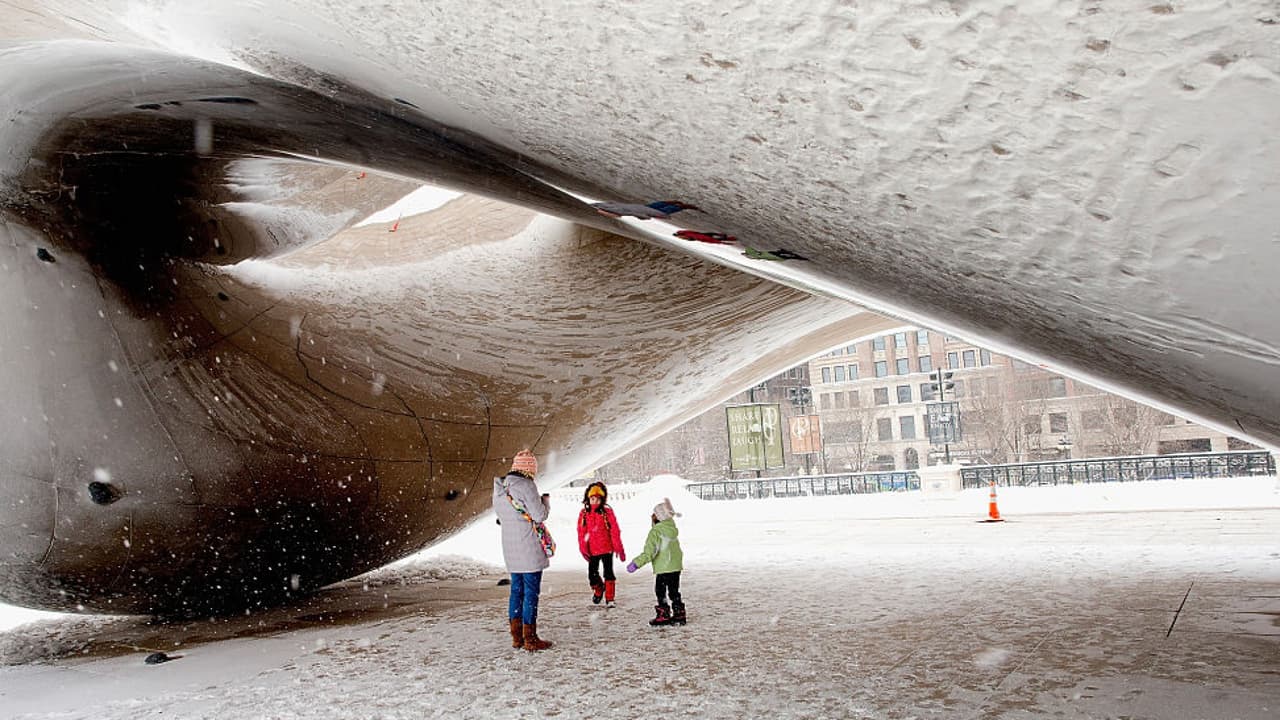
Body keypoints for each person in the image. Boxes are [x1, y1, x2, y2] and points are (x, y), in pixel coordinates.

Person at [493, 449, 554, 651]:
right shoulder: (526, 485)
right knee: (530, 594)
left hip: (510, 549)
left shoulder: (500, 488)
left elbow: (502, 518)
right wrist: (545, 501)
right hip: (528, 547)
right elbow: (539, 515)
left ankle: (516, 637)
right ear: (529, 469)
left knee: (516, 592)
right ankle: (531, 638)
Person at [626, 497, 686, 626]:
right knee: (674, 591)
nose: (651, 516)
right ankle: (679, 614)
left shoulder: (656, 532)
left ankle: (663, 615)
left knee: (661, 591)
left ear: (658, 517)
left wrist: (636, 563)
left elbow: (650, 552)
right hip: (675, 567)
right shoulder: (671, 530)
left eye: (654, 514)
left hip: (664, 567)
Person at [576, 482, 625, 608]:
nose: (595, 501)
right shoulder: (584, 514)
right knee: (592, 575)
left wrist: (618, 547)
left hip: (607, 549)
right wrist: (583, 547)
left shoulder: (606, 512)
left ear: (602, 499)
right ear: (588, 499)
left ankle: (610, 598)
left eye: (598, 499)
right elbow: (581, 532)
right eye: (592, 499)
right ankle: (599, 589)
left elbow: (614, 530)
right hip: (593, 550)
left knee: (608, 573)